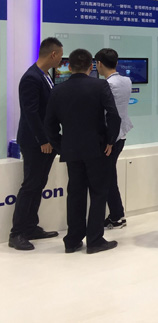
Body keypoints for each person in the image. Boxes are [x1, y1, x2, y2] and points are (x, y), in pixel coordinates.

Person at [44, 48, 121, 254]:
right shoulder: (100, 85)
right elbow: (113, 115)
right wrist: (110, 141)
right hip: (97, 148)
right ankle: (95, 240)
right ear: (91, 66)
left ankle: (72, 240)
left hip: (72, 150)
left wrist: (60, 146)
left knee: (75, 194)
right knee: (98, 193)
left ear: (69, 67)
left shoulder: (58, 90)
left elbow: (49, 124)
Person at [8, 37, 64, 251]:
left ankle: (31, 227)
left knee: (39, 184)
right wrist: (43, 140)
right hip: (35, 142)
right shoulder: (31, 78)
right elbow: (30, 112)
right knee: (31, 185)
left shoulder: (44, 75)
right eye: (60, 56)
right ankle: (17, 233)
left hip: (46, 141)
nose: (61, 60)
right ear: (53, 54)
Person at [95, 48, 134, 229]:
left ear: (99, 64)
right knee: (110, 176)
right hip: (121, 134)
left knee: (106, 177)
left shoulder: (107, 85)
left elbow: (108, 113)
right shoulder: (127, 81)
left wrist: (109, 139)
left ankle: (117, 216)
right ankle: (117, 214)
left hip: (110, 137)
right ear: (116, 63)